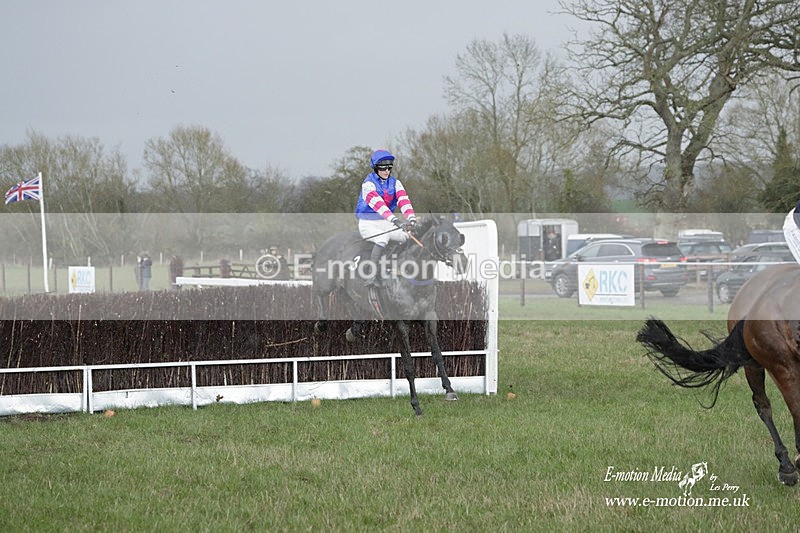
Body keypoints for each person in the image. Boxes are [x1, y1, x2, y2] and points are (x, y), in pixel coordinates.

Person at [355, 149, 417, 286]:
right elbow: (379, 205)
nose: (387, 171)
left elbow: (404, 201)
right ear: (376, 168)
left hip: (385, 222)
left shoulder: (396, 183)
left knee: (406, 236)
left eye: (389, 168)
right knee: (382, 238)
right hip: (368, 223)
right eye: (383, 168)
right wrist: (395, 220)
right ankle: (371, 275)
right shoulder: (368, 184)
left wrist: (411, 219)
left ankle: (396, 267)